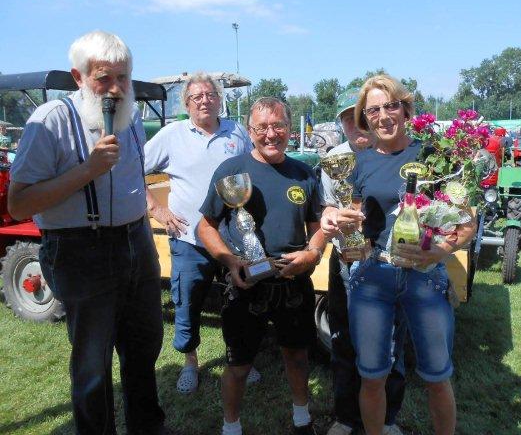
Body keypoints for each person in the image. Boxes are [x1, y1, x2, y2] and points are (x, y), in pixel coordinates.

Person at [8, 31, 164, 434]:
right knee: (93, 364)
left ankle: (147, 427)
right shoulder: (51, 121)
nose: (115, 88)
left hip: (136, 241)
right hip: (80, 248)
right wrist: (86, 171)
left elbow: (132, 181)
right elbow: (19, 204)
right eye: (103, 78)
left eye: (123, 77)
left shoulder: (131, 119)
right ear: (78, 77)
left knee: (144, 347)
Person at [321, 75, 475, 435]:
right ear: (365, 118)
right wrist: (335, 220)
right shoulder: (358, 163)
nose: (383, 115)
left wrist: (442, 249)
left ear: (405, 109)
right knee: (372, 376)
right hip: (373, 278)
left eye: (391, 105)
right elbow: (351, 217)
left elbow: (467, 221)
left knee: (438, 376)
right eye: (373, 109)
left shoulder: (435, 155)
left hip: (425, 278)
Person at [197, 97, 325, 435]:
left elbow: (318, 229)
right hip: (246, 284)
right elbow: (205, 226)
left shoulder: (305, 173)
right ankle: (231, 427)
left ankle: (301, 419)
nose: (271, 134)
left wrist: (312, 255)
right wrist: (228, 260)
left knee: (297, 356)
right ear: (250, 132)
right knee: (238, 364)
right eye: (262, 128)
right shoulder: (231, 172)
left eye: (278, 125)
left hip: (293, 282)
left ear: (289, 127)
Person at [144, 72, 255, 394]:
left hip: (232, 238)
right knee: (187, 302)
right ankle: (190, 363)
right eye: (197, 97)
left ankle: (243, 360)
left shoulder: (237, 132)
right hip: (189, 240)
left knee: (241, 300)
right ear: (187, 103)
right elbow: (133, 169)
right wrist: (158, 209)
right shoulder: (171, 135)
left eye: (210, 95)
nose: (204, 100)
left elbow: (254, 170)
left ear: (220, 100)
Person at [320, 89, 406, 435]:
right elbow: (325, 206)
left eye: (360, 118)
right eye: (348, 119)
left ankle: (387, 420)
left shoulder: (392, 153)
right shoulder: (335, 160)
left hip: (389, 264)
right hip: (345, 261)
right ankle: (346, 417)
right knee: (344, 342)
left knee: (394, 346)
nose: (355, 125)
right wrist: (330, 218)